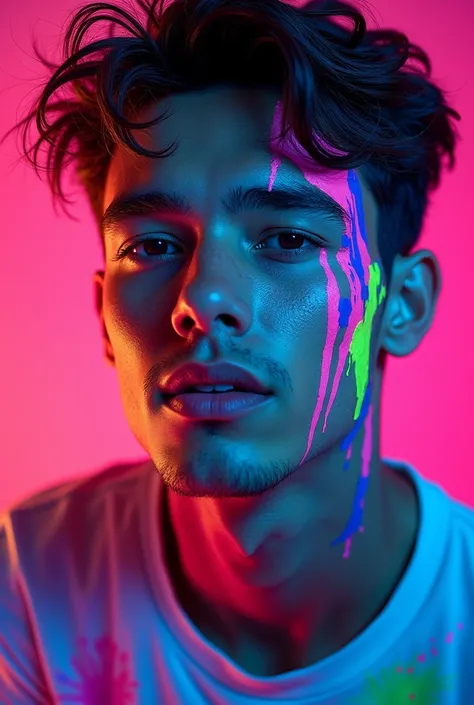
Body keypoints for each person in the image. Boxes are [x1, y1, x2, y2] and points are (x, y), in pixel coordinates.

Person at [0, 0, 470, 701]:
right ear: (103, 315)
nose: (202, 299)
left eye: (286, 239)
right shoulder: (31, 582)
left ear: (399, 305)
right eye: (152, 246)